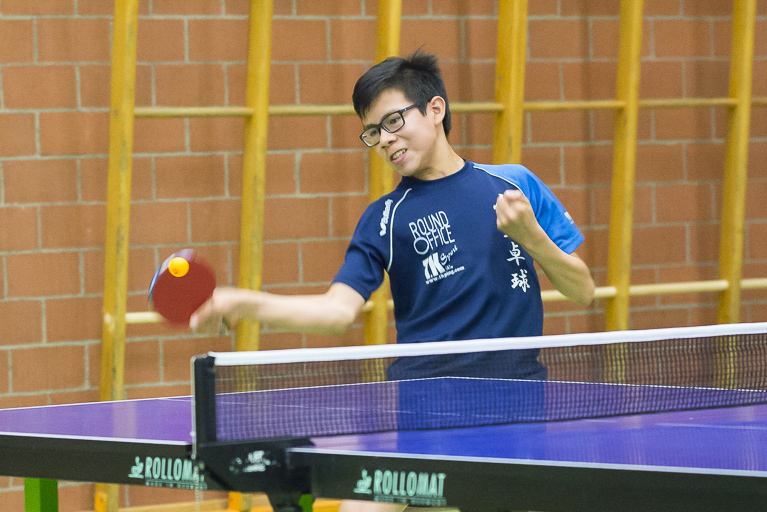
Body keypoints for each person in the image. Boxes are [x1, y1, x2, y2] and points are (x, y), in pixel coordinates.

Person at [191, 50, 595, 511]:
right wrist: (244, 303)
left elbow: (582, 291)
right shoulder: (383, 218)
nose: (385, 139)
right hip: (420, 410)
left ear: (435, 109)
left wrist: (532, 238)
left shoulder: (514, 186)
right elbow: (336, 311)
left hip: (514, 407)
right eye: (373, 132)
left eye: (393, 121)